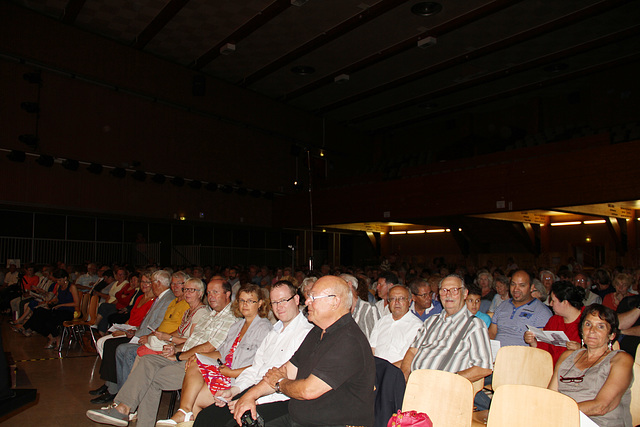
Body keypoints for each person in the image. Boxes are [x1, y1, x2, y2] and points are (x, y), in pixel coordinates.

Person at [86, 277, 236, 427]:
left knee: (148, 375)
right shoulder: (210, 315)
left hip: (199, 366)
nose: (210, 297)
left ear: (228, 294)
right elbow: (190, 341)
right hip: (184, 355)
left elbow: (210, 347)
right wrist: (174, 349)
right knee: (147, 360)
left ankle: (126, 411)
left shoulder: (230, 317)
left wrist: (178, 355)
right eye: (209, 293)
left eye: (215, 292)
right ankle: (122, 408)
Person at [231, 275, 375, 427]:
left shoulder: (349, 340)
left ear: (335, 302)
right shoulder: (318, 332)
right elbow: (287, 369)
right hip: (298, 419)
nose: (307, 302)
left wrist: (279, 383)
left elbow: (308, 390)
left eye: (313, 297)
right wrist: (249, 396)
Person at [192, 280, 313, 427]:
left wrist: (251, 399)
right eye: (274, 302)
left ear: (296, 299)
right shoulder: (274, 332)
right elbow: (255, 368)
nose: (279, 307)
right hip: (255, 390)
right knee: (206, 417)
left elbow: (287, 379)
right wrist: (234, 391)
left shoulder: (306, 333)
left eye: (283, 301)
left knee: (231, 423)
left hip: (280, 398)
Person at [157, 283, 272, 425]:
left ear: (260, 303)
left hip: (240, 379)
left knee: (196, 399)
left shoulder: (264, 329)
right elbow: (221, 353)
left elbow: (260, 365)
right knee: (195, 363)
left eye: (250, 301)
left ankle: (186, 414)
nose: (245, 305)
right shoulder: (236, 326)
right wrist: (198, 357)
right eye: (242, 300)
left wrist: (232, 372)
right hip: (224, 372)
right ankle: (184, 412)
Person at [90, 269, 176, 405]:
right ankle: (113, 386)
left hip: (148, 336)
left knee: (114, 346)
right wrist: (131, 330)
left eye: (151, 282)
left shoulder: (167, 299)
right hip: (140, 332)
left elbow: (156, 324)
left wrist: (133, 332)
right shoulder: (158, 297)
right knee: (109, 344)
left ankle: (117, 391)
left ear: (158, 283)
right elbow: (145, 321)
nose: (149, 285)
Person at [549, 304, 633, 426]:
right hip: (564, 420)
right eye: (588, 324)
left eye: (601, 326)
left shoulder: (620, 359)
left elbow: (602, 406)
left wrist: (561, 411)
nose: (592, 330)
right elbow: (552, 396)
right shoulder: (567, 357)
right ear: (582, 330)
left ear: (612, 335)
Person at [400, 275, 492, 384]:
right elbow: (412, 351)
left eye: (454, 290)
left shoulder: (474, 325)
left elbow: (483, 368)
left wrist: (448, 380)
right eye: (444, 290)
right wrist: (404, 377)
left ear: (465, 294)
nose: (448, 295)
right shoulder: (431, 321)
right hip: (415, 383)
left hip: (443, 388)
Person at [137, 277, 209, 357]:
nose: (187, 293)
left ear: (200, 293)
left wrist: (169, 338)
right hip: (176, 346)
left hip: (186, 352)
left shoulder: (201, 312)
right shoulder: (188, 311)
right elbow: (179, 332)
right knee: (142, 350)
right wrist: (162, 336)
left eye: (192, 290)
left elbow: (191, 342)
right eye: (185, 289)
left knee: (143, 354)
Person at [524, 281, 584, 365]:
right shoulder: (554, 320)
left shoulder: (587, 320)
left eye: (553, 301)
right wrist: (533, 341)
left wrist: (581, 349)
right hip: (552, 369)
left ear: (565, 303)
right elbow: (545, 349)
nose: (550, 304)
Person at [489, 270, 552, 346]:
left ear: (531, 288)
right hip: (498, 354)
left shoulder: (541, 311)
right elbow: (492, 333)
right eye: (513, 284)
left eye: (522, 285)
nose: (516, 289)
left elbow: (544, 346)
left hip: (522, 355)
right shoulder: (503, 305)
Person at [22, 269, 80, 349]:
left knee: (48, 320)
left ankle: (56, 338)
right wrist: (48, 302)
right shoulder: (59, 287)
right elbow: (58, 299)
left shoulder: (72, 287)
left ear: (65, 278)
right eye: (57, 280)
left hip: (68, 311)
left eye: (60, 280)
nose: (58, 282)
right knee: (38, 312)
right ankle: (51, 337)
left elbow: (76, 303)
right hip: (58, 309)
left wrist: (61, 305)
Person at [341, 273, 379, 339]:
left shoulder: (368, 308)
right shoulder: (339, 310)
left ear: (349, 285)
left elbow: (375, 338)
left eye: (338, 286)